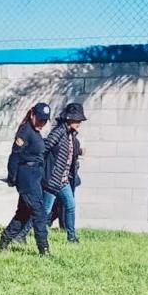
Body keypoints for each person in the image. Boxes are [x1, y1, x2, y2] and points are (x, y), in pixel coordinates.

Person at [0, 102, 53, 254]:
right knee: (39, 213)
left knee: (23, 213)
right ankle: (44, 250)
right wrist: (12, 177)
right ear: (32, 115)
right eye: (40, 119)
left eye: (45, 121)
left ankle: (3, 243)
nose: (42, 123)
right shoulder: (25, 131)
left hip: (34, 176)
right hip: (26, 177)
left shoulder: (35, 132)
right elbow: (14, 155)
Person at [42, 102, 86, 243]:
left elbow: (69, 151)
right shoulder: (59, 132)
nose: (79, 123)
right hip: (53, 179)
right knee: (45, 211)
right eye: (77, 120)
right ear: (69, 119)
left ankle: (72, 237)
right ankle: (26, 234)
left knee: (70, 206)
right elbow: (45, 147)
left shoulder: (71, 135)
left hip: (64, 180)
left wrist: (78, 151)